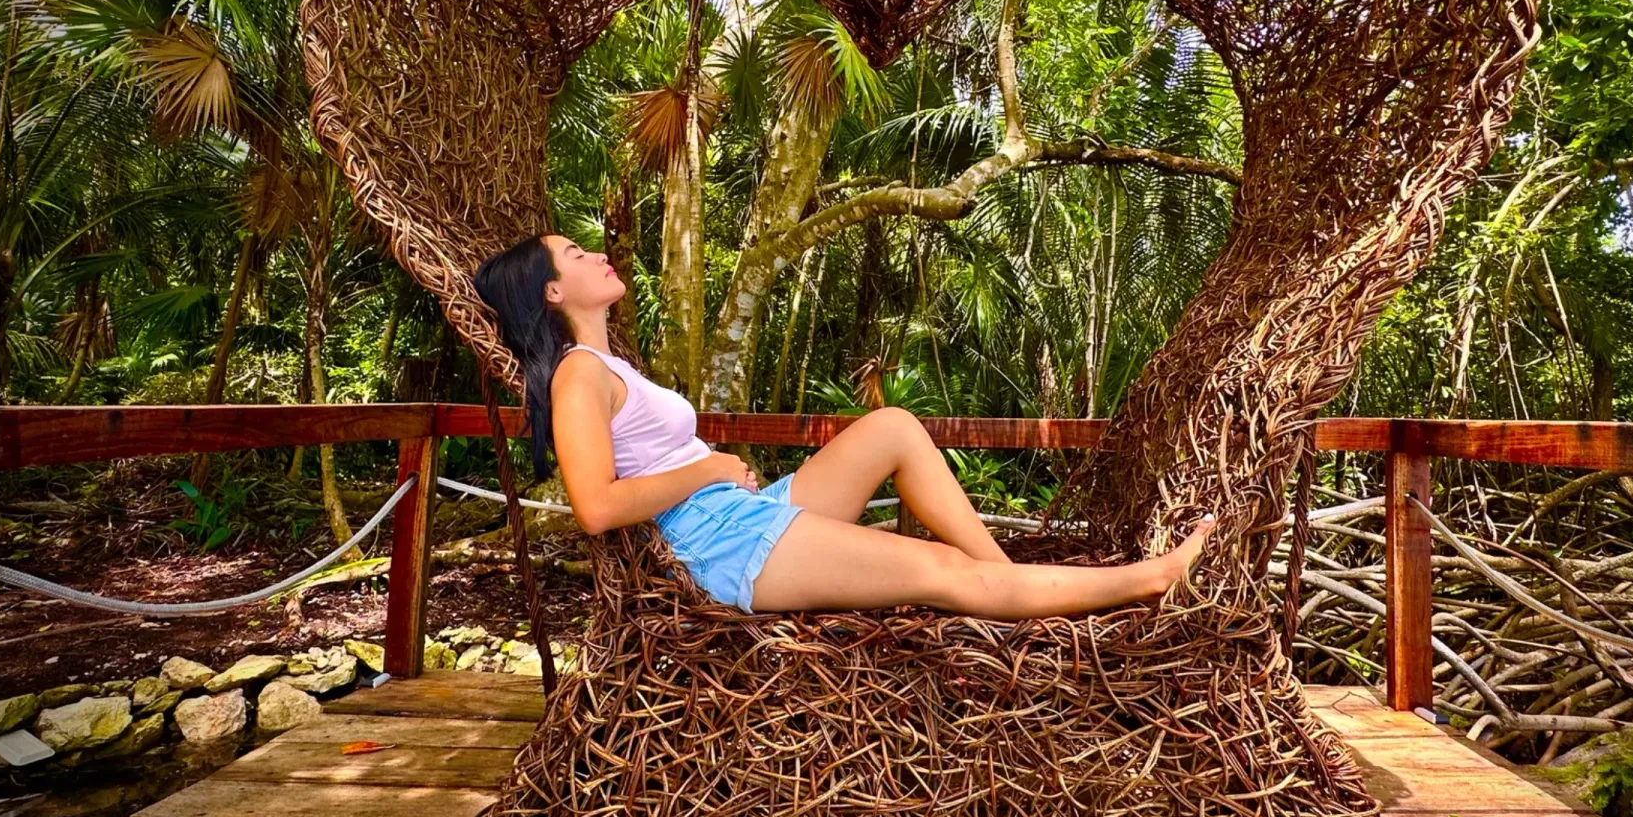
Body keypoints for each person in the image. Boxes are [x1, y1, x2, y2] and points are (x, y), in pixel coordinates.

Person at [471, 232, 1211, 619]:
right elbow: (595, 507)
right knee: (940, 575)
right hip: (720, 545)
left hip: (740, 515)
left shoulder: (611, 366)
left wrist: (718, 476)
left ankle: (1009, 581)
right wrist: (709, 468)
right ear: (553, 290)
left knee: (892, 425)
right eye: (575, 253)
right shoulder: (576, 375)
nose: (596, 253)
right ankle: (1148, 581)